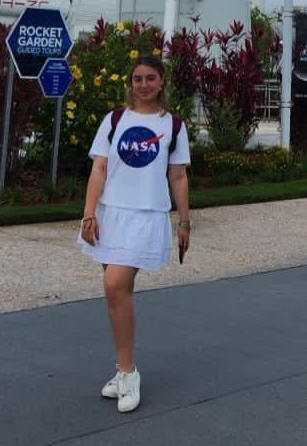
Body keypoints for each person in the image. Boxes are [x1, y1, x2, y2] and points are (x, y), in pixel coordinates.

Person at [79, 55, 191, 413]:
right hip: (110, 214)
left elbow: (178, 176)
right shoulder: (114, 120)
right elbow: (99, 168)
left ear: (162, 82)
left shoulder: (173, 125)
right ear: (131, 83)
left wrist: (184, 222)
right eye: (138, 78)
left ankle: (129, 373)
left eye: (150, 78)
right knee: (117, 294)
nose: (143, 84)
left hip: (146, 216)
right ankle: (123, 368)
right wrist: (89, 213)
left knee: (114, 285)